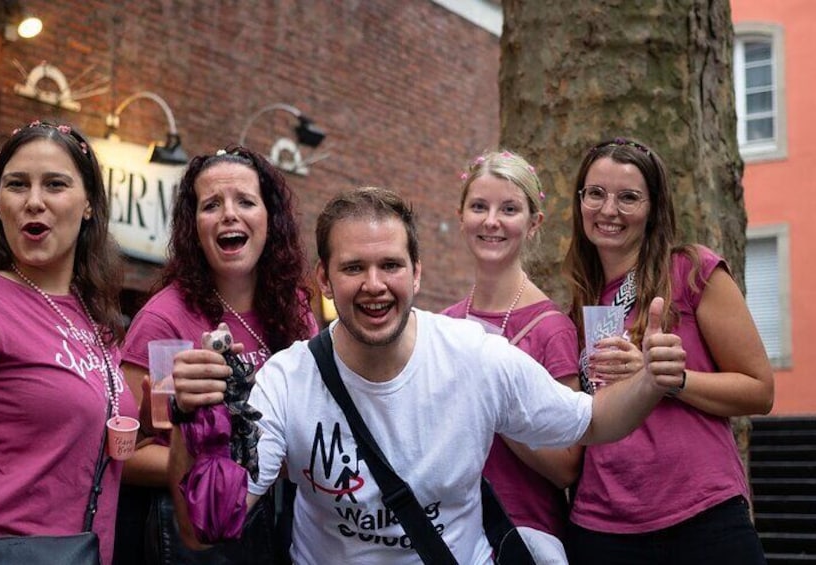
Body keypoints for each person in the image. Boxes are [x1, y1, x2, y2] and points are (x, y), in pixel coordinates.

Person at [169, 186, 687, 564]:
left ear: (417, 274)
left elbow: (592, 421)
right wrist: (195, 421)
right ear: (325, 280)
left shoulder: (474, 356)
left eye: (391, 265)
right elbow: (204, 530)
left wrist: (649, 385)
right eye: (353, 269)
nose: (374, 285)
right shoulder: (288, 380)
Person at [562, 137, 774, 564]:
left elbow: (759, 390)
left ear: (654, 208)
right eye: (596, 194)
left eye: (628, 198)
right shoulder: (576, 304)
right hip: (602, 526)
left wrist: (668, 378)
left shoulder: (692, 271)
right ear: (580, 201)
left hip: (701, 516)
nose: (608, 210)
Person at [115, 145, 316, 564]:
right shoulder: (162, 319)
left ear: (270, 219)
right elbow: (126, 454)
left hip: (286, 527)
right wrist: (220, 463)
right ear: (194, 226)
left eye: (245, 201)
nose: (229, 214)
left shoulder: (296, 311)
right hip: (192, 535)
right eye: (211, 204)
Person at [0, 121, 136, 565]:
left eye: (55, 184)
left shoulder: (98, 320)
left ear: (88, 206)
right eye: (17, 185)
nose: (34, 202)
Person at [442, 150, 581, 563]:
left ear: (533, 223)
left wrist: (495, 404)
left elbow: (566, 464)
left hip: (522, 536)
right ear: (462, 215)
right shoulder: (443, 324)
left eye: (509, 209)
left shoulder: (551, 328)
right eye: (479, 206)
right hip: (448, 531)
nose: (491, 221)